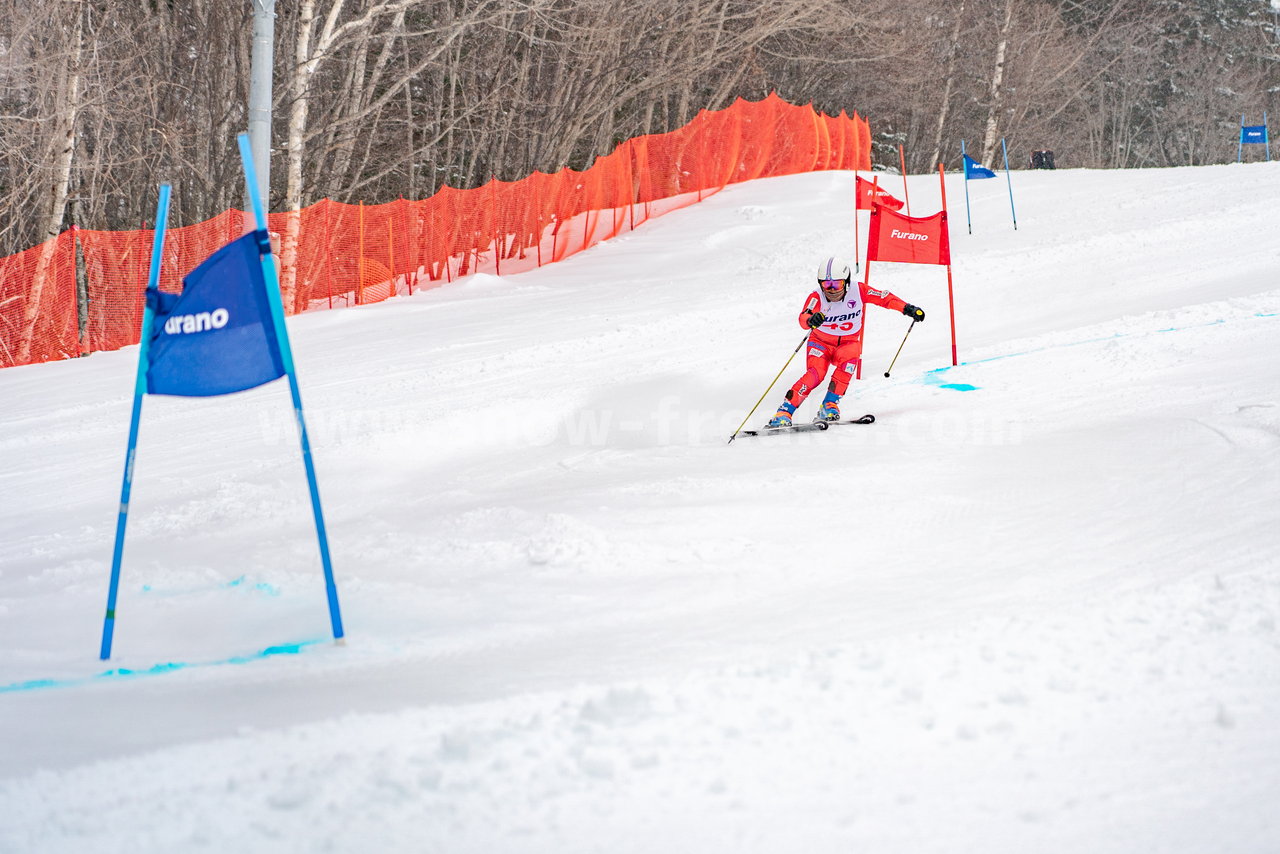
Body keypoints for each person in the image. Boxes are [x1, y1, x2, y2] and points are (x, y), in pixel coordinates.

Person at [766, 256, 925, 428]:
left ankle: (829, 406)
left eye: (837, 284)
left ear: (847, 282)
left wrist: (908, 308)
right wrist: (811, 320)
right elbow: (803, 316)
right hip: (821, 343)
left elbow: (884, 298)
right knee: (815, 374)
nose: (832, 290)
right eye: (827, 285)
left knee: (848, 364)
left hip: (847, 343)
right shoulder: (816, 296)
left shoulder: (859, 290)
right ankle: (783, 412)